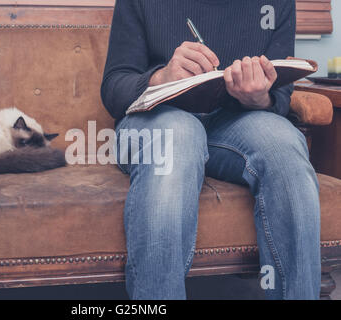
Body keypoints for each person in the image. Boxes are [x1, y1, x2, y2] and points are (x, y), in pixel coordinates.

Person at [100, 0, 321, 300]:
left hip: (233, 122)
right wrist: (162, 77)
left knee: (284, 143)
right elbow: (114, 88)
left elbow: (279, 99)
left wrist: (258, 98)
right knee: (179, 136)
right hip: (155, 122)